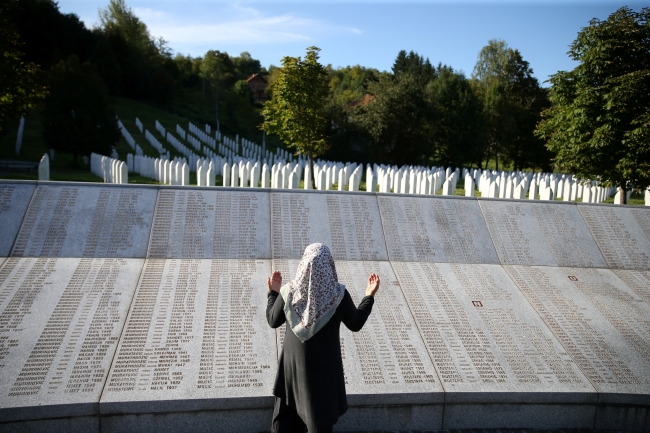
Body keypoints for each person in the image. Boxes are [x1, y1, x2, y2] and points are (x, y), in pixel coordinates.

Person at [266, 243, 380, 433]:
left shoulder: (288, 292)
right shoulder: (338, 296)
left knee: (285, 423)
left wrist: (273, 292)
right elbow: (356, 323)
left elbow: (272, 320)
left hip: (292, 372)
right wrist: (368, 296)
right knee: (318, 423)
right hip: (323, 377)